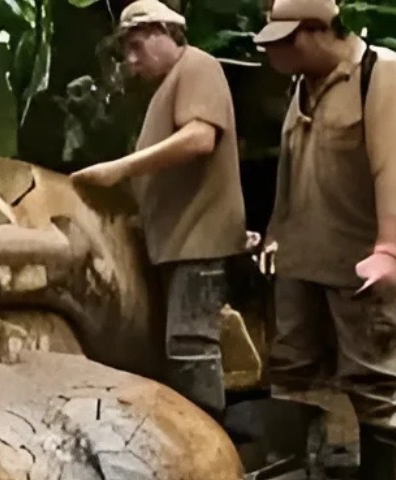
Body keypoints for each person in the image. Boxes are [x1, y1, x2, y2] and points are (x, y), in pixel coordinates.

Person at [254, 0, 396, 480]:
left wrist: (391, 249)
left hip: (360, 262)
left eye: (286, 41)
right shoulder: (301, 87)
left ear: (317, 30)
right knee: (289, 363)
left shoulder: (382, 75)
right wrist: (273, 239)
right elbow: (291, 169)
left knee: (371, 372)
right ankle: (291, 466)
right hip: (302, 256)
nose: (276, 52)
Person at [72, 0, 248, 419]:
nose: (132, 62)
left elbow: (200, 137)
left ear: (163, 33)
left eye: (136, 46)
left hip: (199, 238)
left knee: (190, 346)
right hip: (178, 241)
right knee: (181, 347)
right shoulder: (169, 86)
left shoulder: (197, 67)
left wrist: (120, 169)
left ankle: (210, 446)